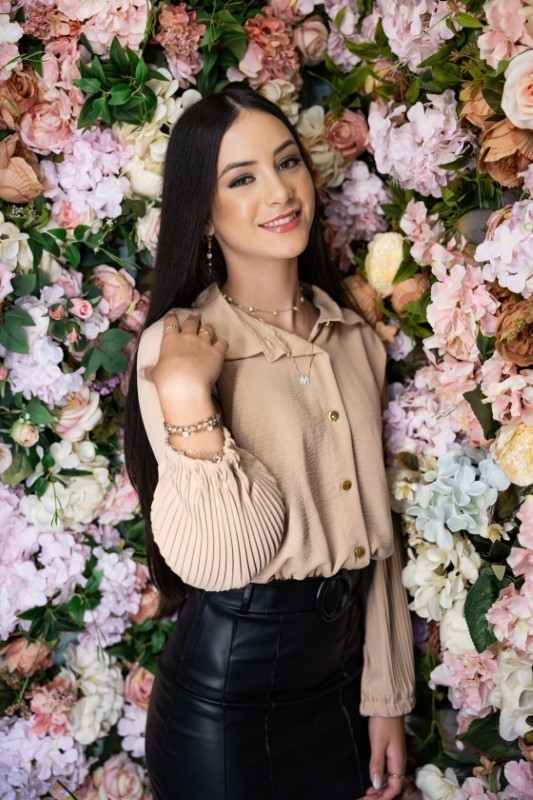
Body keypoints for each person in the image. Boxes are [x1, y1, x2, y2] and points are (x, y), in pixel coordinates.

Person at [124, 85, 415, 800]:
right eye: (241, 178)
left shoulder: (353, 338)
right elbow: (227, 559)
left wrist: (386, 696)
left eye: (286, 162)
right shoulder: (177, 347)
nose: (280, 191)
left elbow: (374, 538)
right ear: (203, 214)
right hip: (225, 705)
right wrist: (186, 394)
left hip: (340, 687)